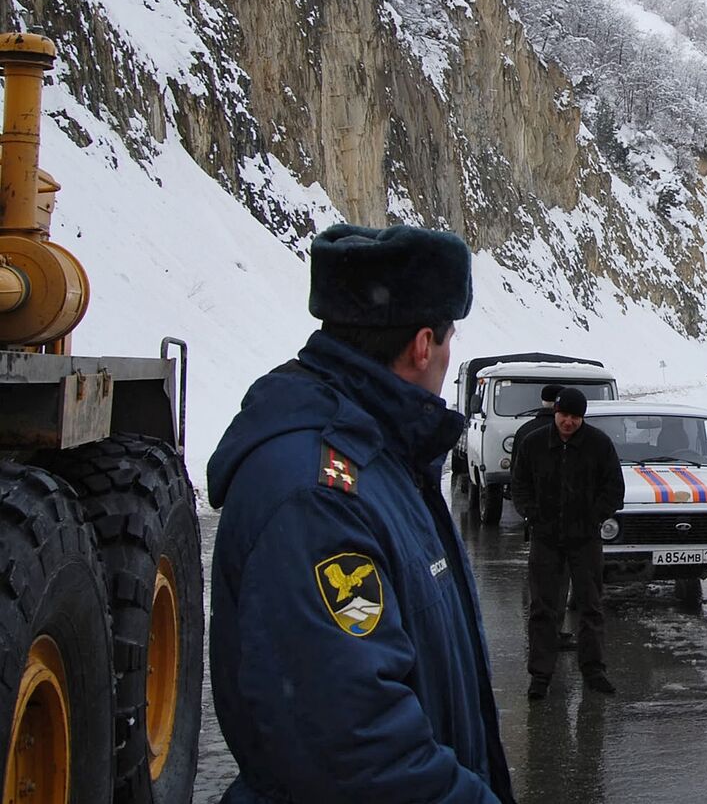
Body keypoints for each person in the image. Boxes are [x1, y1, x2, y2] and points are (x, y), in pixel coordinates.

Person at [207, 224, 514, 804]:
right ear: (423, 345)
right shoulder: (319, 495)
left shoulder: (380, 454)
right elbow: (356, 750)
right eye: (449, 341)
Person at [511, 386, 624, 699]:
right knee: (543, 608)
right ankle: (540, 675)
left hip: (585, 540)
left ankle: (594, 670)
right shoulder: (535, 444)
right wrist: (533, 515)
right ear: (555, 413)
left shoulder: (599, 445)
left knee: (590, 606)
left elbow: (614, 488)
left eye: (575, 417)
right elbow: (519, 486)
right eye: (564, 415)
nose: (569, 422)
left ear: (582, 418)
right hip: (545, 539)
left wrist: (594, 517)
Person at [511, 384, 577, 650]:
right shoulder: (574, 432)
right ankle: (554, 628)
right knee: (561, 578)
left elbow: (517, 474)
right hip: (566, 518)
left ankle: (540, 630)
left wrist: (528, 511)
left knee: (539, 576)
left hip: (537, 517)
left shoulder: (524, 431)